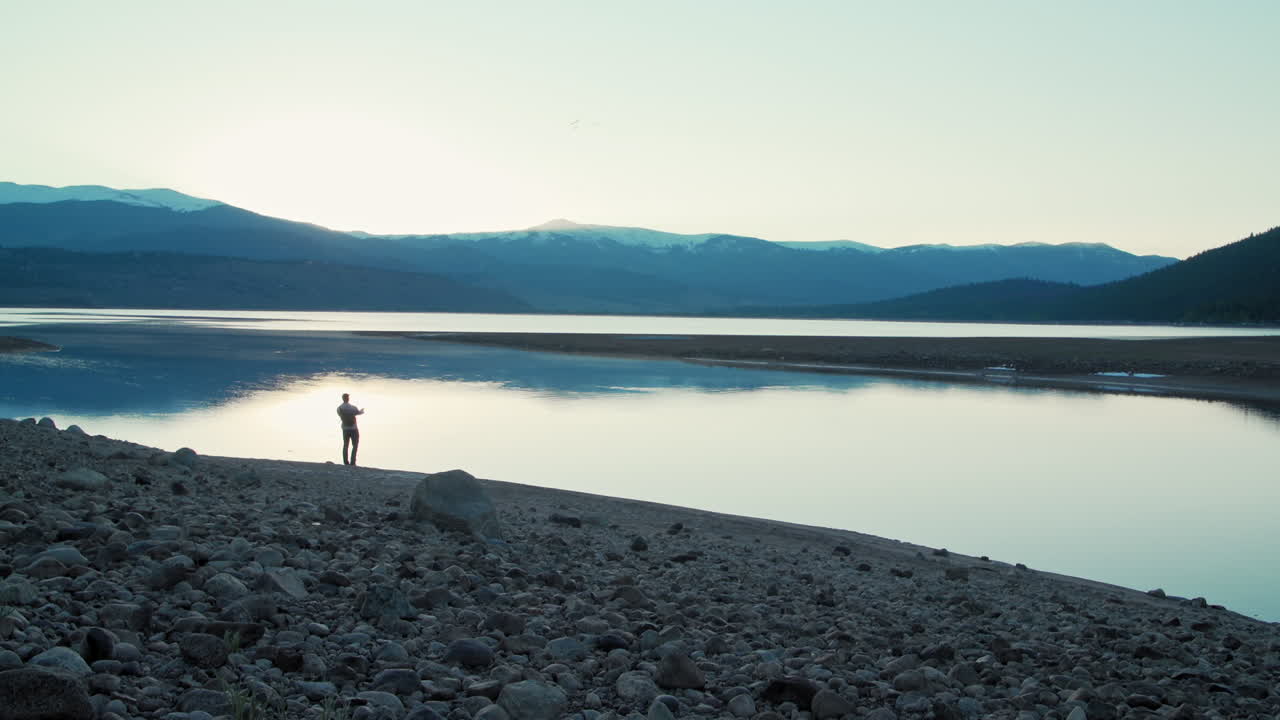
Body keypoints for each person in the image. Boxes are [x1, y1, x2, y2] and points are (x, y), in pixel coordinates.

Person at [336, 393, 365, 466]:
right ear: (348, 399)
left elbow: (340, 415)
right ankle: (353, 462)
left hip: (345, 428)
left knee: (345, 445)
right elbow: (358, 413)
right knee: (355, 445)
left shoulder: (339, 408)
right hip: (353, 428)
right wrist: (362, 411)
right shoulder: (352, 407)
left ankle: (346, 462)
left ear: (342, 399)